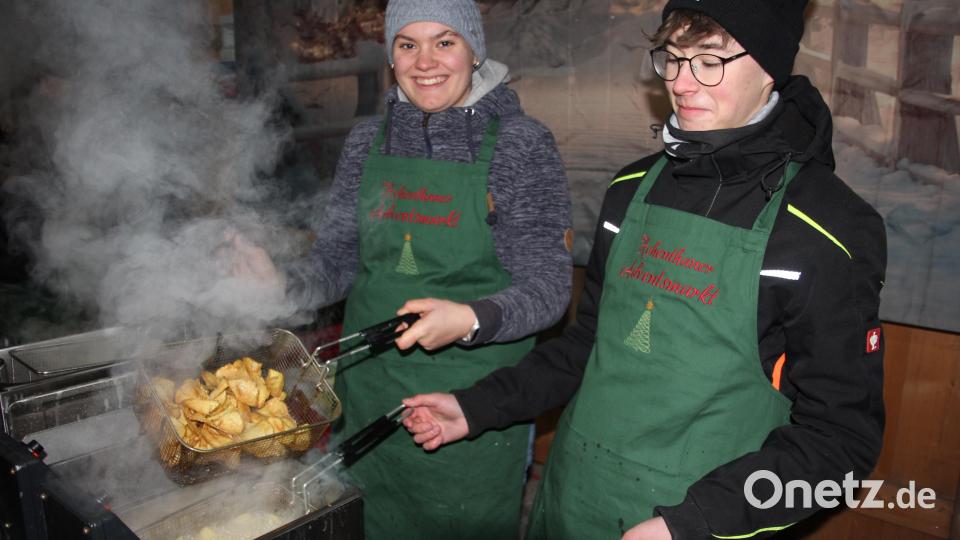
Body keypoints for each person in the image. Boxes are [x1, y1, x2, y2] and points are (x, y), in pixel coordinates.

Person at [402, 1, 887, 539]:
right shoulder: (631, 189)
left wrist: (692, 524)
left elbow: (840, 441)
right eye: (674, 59)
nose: (682, 83)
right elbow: (587, 345)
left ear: (770, 68)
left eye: (710, 60)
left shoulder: (825, 226)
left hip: (699, 519)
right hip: (573, 498)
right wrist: (475, 407)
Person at [234, 0, 573, 537]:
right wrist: (282, 284)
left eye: (445, 41)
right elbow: (339, 261)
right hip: (367, 392)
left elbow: (550, 286)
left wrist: (470, 318)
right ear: (391, 56)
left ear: (474, 50)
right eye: (407, 44)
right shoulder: (367, 142)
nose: (425, 61)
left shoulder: (519, 145)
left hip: (469, 405)